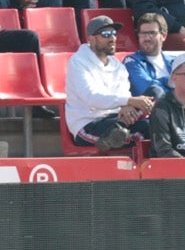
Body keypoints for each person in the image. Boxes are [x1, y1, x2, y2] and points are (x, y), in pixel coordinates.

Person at [64, 15, 155, 152]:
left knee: (155, 94)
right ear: (91, 39)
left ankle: (116, 133)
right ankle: (115, 134)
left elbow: (123, 93)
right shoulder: (78, 62)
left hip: (116, 119)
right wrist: (127, 101)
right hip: (88, 124)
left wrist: (126, 105)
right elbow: (91, 97)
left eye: (114, 34)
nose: (112, 38)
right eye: (106, 34)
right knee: (146, 130)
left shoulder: (117, 65)